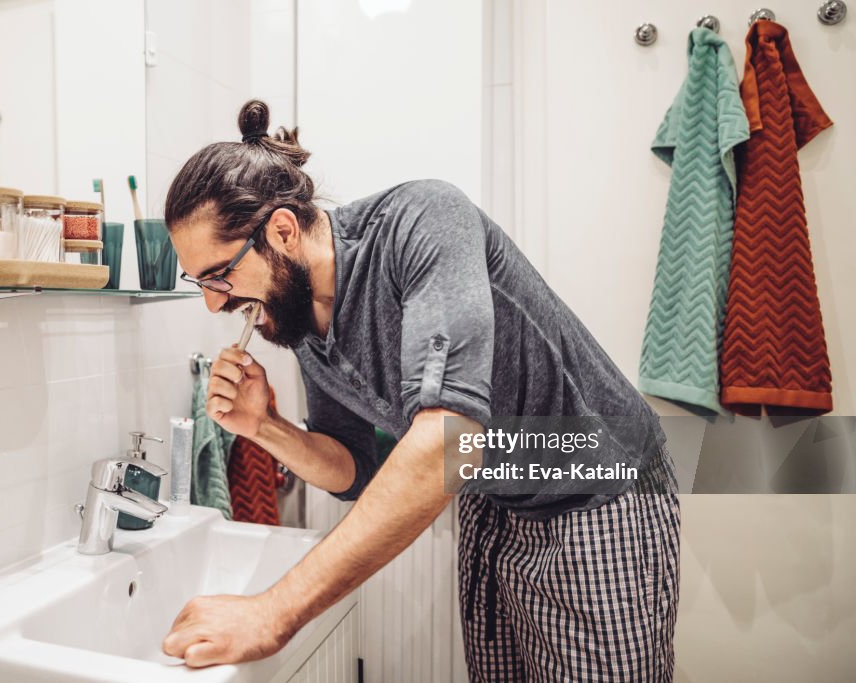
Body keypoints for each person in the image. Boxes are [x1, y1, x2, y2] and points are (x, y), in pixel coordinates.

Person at [161, 99, 681, 682]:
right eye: (199, 282)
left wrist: (274, 613)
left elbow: (449, 440)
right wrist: (265, 428)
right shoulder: (300, 317)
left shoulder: (424, 220)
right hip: (496, 497)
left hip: (596, 489)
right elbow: (354, 467)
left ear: (281, 231)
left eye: (218, 274)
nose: (213, 302)